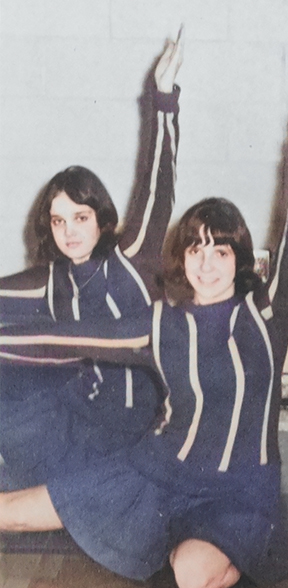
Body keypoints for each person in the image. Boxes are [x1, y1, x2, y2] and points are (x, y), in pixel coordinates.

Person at [0, 56, 288, 588]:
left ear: (238, 258)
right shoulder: (162, 324)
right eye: (195, 250)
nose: (206, 262)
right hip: (154, 471)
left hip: (237, 489)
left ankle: (215, 544)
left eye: (219, 250)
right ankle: (164, 534)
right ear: (180, 259)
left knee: (193, 576)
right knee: (11, 514)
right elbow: (61, 338)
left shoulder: (269, 315)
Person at [0, 33, 183, 489]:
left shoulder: (135, 257)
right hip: (84, 419)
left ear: (100, 217)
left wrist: (164, 100)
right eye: (58, 221)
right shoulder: (52, 278)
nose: (69, 231)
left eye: (80, 217)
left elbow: (158, 186)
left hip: (144, 430)